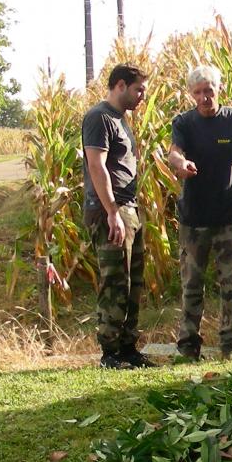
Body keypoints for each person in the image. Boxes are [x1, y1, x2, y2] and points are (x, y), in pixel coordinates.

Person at [167, 65, 232, 361]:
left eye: (208, 90)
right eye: (197, 92)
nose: (204, 97)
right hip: (194, 219)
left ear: (219, 89)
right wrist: (180, 164)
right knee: (191, 284)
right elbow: (174, 151)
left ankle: (229, 346)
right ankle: (188, 347)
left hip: (230, 217)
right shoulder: (184, 123)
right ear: (190, 94)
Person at [82, 62, 156, 370]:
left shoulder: (120, 119)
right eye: (139, 89)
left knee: (132, 282)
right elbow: (97, 166)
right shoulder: (99, 118)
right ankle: (109, 353)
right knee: (115, 282)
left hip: (129, 209)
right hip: (111, 211)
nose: (142, 96)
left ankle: (128, 349)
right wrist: (112, 211)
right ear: (121, 85)